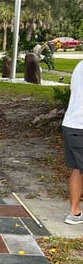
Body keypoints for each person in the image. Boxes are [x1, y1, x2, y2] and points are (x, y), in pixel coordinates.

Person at [61, 59, 83, 224]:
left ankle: (75, 212)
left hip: (71, 125)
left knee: (78, 169)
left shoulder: (80, 65)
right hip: (80, 126)